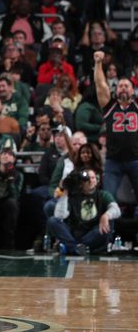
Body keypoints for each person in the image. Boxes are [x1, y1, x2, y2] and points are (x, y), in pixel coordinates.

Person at [93, 51, 138, 200]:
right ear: (115, 90)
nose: (123, 88)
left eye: (127, 86)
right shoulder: (109, 105)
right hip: (114, 161)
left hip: (136, 160)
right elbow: (100, 84)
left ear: (133, 90)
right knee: (107, 199)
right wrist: (98, 63)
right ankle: (107, 223)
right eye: (120, 86)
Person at [48, 169, 119, 255]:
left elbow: (116, 209)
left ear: (97, 180)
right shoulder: (73, 196)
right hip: (75, 232)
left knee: (110, 221)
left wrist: (106, 216)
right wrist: (65, 192)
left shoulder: (103, 195)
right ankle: (77, 248)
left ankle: (73, 248)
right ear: (81, 182)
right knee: (53, 221)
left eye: (93, 178)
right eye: (86, 179)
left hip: (93, 233)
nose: (90, 181)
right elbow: (59, 216)